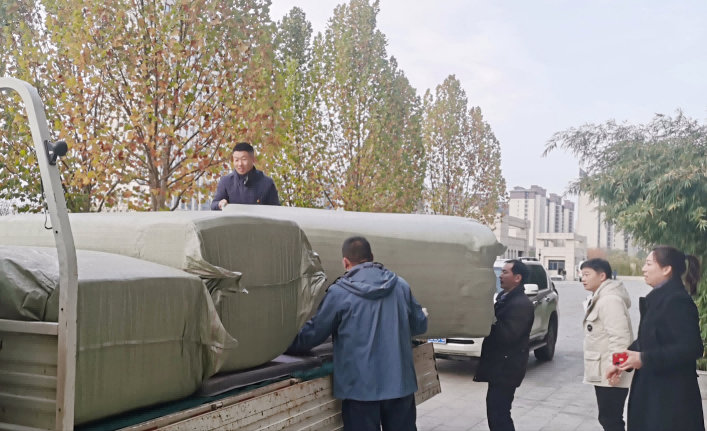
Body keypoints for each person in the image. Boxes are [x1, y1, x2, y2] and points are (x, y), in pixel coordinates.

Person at [287, 236, 428, 431]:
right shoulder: (401, 286)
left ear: (345, 262)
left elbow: (314, 334)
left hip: (359, 390)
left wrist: (284, 345)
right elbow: (420, 326)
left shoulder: (339, 293)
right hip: (400, 385)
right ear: (372, 257)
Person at [606, 246, 704, 431]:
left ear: (666, 269)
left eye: (649, 264)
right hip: (653, 393)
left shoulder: (677, 301)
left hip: (671, 400)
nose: (644, 269)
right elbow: (646, 340)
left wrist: (644, 359)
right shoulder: (659, 299)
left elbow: (692, 347)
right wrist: (620, 361)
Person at [474, 259, 534, 431]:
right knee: (495, 411)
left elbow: (508, 335)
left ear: (517, 278)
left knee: (499, 414)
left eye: (505, 272)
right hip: (499, 367)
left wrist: (488, 321)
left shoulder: (521, 304)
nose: (500, 276)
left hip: (507, 369)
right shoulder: (504, 297)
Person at [580, 258, 633, 431]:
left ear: (602, 276)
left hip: (610, 372)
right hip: (604, 369)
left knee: (611, 419)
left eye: (587, 274)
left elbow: (620, 338)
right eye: (582, 275)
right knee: (609, 418)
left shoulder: (609, 300)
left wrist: (616, 367)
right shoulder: (601, 297)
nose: (583, 279)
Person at [210, 142, 279, 209]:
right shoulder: (226, 181)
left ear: (253, 160)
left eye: (244, 159)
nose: (240, 164)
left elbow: (276, 209)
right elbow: (214, 204)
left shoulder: (267, 183)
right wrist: (220, 204)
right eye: (236, 160)